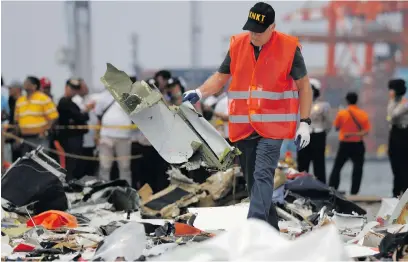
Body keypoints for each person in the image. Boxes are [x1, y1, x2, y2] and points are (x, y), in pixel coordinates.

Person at [182, 2, 313, 229]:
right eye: (251, 29)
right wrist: (200, 92)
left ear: (273, 27)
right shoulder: (238, 45)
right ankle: (270, 232)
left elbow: (304, 86)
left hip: (273, 128)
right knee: (255, 183)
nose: (254, 34)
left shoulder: (289, 48)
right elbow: (221, 77)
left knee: (263, 176)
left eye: (259, 31)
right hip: (244, 128)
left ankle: (253, 229)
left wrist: (305, 122)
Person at [328, 92, 370, 195]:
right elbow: (366, 131)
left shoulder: (342, 113)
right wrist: (354, 133)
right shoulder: (363, 114)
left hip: (345, 144)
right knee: (357, 169)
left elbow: (337, 127)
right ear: (357, 100)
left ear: (347, 101)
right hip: (358, 144)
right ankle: (354, 192)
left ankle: (332, 189)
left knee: (337, 167)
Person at [57, 78, 93, 181]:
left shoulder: (71, 102)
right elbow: (80, 117)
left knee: (75, 163)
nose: (74, 91)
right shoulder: (64, 101)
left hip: (75, 138)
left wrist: (82, 115)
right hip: (70, 138)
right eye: (71, 88)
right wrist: (83, 113)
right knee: (71, 164)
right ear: (66, 87)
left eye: (75, 89)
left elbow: (83, 117)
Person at [95, 89, 133, 186]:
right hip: (106, 136)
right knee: (104, 167)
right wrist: (97, 134)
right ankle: (103, 191)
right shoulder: (102, 96)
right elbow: (98, 115)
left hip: (124, 136)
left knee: (125, 167)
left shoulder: (129, 95)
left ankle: (127, 191)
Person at [296, 78, 331, 183]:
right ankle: (301, 184)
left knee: (319, 162)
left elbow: (328, 123)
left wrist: (322, 133)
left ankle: (321, 185)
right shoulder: (298, 105)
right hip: (302, 135)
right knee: (302, 162)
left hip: (317, 135)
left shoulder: (323, 106)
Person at [14, 76, 59, 155]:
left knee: (41, 162)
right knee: (27, 163)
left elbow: (54, 117)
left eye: (27, 82)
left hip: (39, 138)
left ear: (34, 86)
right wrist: (17, 137)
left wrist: (46, 131)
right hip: (25, 138)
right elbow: (17, 121)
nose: (24, 84)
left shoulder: (43, 99)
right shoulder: (20, 101)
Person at [72, 79, 98, 178]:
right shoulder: (75, 100)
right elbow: (78, 115)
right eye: (83, 86)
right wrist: (86, 109)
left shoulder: (91, 98)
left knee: (90, 168)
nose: (85, 88)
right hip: (81, 140)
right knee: (80, 167)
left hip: (91, 141)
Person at [387, 79, 408, 197]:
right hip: (394, 133)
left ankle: (404, 190)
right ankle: (396, 191)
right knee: (394, 161)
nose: (390, 92)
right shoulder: (393, 102)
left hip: (403, 133)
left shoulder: (405, 103)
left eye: (391, 89)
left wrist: (393, 103)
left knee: (403, 163)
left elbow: (393, 116)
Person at [6, 82, 23, 162]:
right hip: (11, 137)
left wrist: (16, 137)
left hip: (19, 137)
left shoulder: (22, 102)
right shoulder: (11, 101)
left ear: (18, 89)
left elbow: (19, 122)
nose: (9, 90)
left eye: (11, 88)